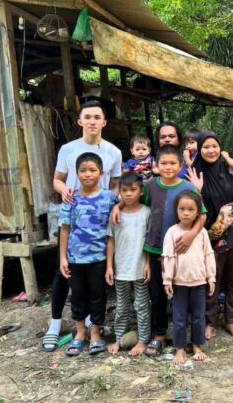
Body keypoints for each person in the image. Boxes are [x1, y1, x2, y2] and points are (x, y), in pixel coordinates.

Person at [112, 145, 207, 356]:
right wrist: (117, 206)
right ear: (156, 165)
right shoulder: (150, 186)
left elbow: (202, 215)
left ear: (180, 165)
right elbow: (132, 199)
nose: (168, 167)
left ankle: (190, 338)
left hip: (182, 250)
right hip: (155, 250)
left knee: (183, 293)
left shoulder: (188, 188)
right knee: (157, 294)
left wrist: (191, 235)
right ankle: (159, 335)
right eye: (163, 163)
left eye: (173, 163)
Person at [44, 100, 122, 352]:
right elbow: (57, 180)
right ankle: (55, 325)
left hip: (100, 221)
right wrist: (65, 191)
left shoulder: (113, 152)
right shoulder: (68, 149)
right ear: (80, 121)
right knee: (63, 275)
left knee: (97, 284)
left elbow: (116, 185)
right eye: (87, 117)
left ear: (103, 122)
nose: (91, 121)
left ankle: (93, 327)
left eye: (96, 117)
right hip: (73, 217)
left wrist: (115, 204)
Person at [188, 132, 233, 341]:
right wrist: (197, 191)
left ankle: (231, 321)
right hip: (210, 235)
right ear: (199, 150)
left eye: (215, 146)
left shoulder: (230, 170)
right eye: (206, 147)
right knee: (211, 279)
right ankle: (209, 322)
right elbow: (189, 207)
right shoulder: (193, 173)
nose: (211, 150)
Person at [58, 152, 117, 356]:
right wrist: (63, 258)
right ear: (77, 174)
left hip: (99, 258)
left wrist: (110, 263)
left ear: (101, 173)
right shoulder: (70, 198)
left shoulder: (110, 198)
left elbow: (112, 233)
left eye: (92, 170)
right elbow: (64, 228)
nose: (88, 174)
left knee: (97, 296)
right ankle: (80, 333)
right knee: (78, 296)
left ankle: (96, 333)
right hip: (75, 259)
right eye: (83, 171)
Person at [163, 191, 216, 364]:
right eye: (182, 209)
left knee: (199, 316)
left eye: (191, 209)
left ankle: (197, 346)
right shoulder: (172, 232)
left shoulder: (201, 234)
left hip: (199, 282)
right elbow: (168, 257)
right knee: (179, 317)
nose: (186, 213)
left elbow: (208, 254)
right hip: (179, 283)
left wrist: (211, 277)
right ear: (176, 211)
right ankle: (179, 349)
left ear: (198, 212)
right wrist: (167, 280)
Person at [105, 172, 151, 356]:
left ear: (141, 191)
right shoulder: (116, 214)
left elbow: (149, 241)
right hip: (121, 268)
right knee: (122, 307)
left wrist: (148, 263)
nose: (128, 194)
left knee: (142, 305)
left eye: (133, 190)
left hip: (140, 268)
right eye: (124, 190)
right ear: (120, 193)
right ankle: (119, 338)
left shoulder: (147, 213)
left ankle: (143, 340)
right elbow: (111, 241)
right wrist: (109, 265)